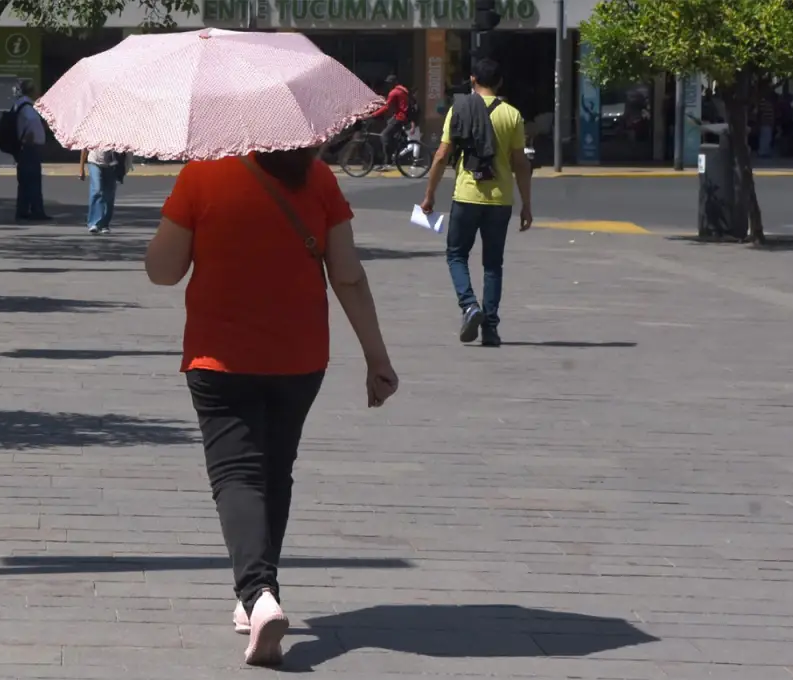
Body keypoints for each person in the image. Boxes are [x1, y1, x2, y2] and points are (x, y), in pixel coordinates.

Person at [144, 148, 398, 667]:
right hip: (299, 359)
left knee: (237, 475)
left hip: (220, 360)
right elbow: (347, 274)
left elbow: (163, 271)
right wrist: (377, 357)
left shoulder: (202, 174)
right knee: (274, 471)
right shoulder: (319, 177)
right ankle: (257, 596)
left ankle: (258, 595)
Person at [420, 57, 533, 348]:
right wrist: (526, 204)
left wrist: (429, 195)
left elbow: (442, 155)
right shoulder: (512, 115)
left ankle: (470, 305)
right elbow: (520, 163)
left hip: (467, 195)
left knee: (456, 254)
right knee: (493, 264)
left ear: (473, 80)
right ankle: (491, 330)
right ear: (500, 83)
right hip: (500, 199)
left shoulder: (459, 109)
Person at [13, 80, 50, 221]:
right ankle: (37, 210)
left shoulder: (21, 104)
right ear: (31, 91)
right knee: (33, 180)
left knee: (25, 181)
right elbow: (31, 125)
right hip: (29, 147)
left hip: (26, 147)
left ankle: (23, 210)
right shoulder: (27, 107)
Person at [79, 149, 122, 234]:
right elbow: (84, 148)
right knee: (97, 190)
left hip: (111, 164)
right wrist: (81, 168)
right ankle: (94, 223)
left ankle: (104, 224)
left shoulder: (116, 135)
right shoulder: (91, 135)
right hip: (94, 162)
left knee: (109, 193)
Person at [371, 75, 410, 167]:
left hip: (400, 117)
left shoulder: (394, 92)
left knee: (384, 135)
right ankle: (394, 150)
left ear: (393, 83)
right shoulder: (403, 90)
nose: (388, 85)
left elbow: (386, 107)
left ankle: (387, 161)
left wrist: (374, 114)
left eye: (389, 83)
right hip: (402, 116)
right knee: (389, 125)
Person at [757, 91, 776, 159]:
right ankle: (763, 152)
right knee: (765, 138)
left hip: (767, 122)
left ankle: (765, 151)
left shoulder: (767, 103)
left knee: (767, 137)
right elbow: (760, 113)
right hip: (765, 122)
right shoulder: (764, 103)